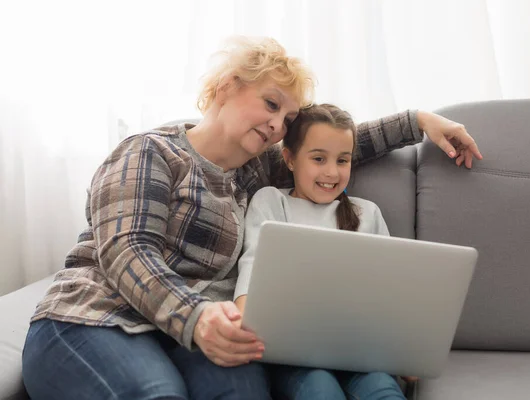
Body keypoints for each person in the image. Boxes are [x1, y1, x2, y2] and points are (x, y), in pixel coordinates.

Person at [21, 36, 482, 400]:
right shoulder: (151, 152)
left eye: (288, 116)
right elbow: (127, 250)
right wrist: (197, 318)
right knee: (155, 394)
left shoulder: (254, 170)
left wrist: (421, 120)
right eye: (271, 103)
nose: (279, 124)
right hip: (98, 318)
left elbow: (333, 148)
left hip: (191, 333)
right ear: (226, 87)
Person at [234, 103, 412, 400]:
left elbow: (390, 293)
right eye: (318, 158)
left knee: (383, 391)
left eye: (343, 161)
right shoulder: (271, 202)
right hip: (295, 355)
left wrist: (407, 352)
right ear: (289, 159)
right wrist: (244, 328)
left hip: (361, 352)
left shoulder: (366, 213)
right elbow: (253, 268)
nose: (332, 172)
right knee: (320, 391)